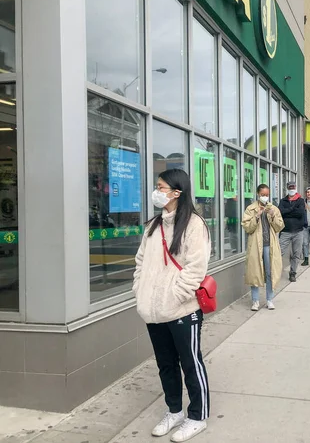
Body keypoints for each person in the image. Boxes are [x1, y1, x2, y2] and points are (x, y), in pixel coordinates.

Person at [133, 169, 211, 442]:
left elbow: (195, 269)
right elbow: (140, 262)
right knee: (165, 364)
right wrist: (140, 292)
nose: (157, 191)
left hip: (181, 310)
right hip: (153, 311)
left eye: (161, 186)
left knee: (191, 363)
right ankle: (174, 410)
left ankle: (197, 416)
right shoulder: (153, 225)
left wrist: (174, 296)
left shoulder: (193, 225)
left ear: (176, 192)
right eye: (157, 186)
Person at [242, 184, 284, 311]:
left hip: (269, 245)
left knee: (270, 272)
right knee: (255, 272)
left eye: (267, 195)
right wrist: (257, 216)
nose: (265, 197)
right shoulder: (251, 209)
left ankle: (270, 299)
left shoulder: (274, 209)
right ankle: (255, 301)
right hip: (256, 245)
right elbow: (247, 227)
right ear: (257, 194)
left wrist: (272, 216)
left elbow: (279, 227)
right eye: (263, 195)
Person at [278, 181, 306, 282]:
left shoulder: (300, 200)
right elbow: (280, 212)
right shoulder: (283, 201)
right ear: (287, 188)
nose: (292, 189)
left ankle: (293, 272)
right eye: (290, 187)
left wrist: (287, 211)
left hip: (298, 231)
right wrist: (292, 209)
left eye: (293, 187)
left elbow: (300, 213)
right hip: (285, 231)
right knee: (278, 252)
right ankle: (274, 272)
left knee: (296, 253)